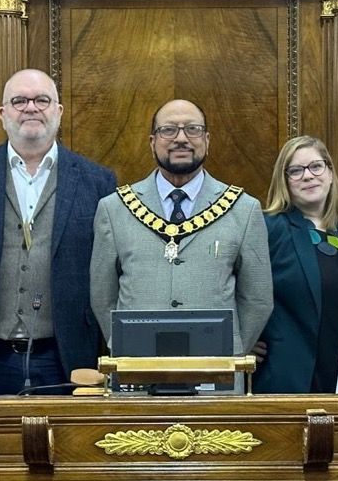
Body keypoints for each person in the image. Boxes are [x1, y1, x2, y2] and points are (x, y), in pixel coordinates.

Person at [0, 69, 116, 456]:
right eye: (20, 101)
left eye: (41, 100)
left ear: (59, 111)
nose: (31, 109)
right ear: (2, 114)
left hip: (66, 356)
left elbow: (108, 268)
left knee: (68, 468)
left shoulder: (97, 180)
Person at [90, 99, 272, 355]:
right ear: (152, 142)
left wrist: (232, 351)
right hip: (137, 368)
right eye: (169, 130)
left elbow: (257, 299)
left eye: (192, 129)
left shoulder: (244, 209)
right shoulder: (114, 209)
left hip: (216, 371)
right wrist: (125, 346)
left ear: (207, 140)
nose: (181, 138)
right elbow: (102, 295)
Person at [253, 137, 338, 418]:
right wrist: (240, 341)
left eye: (316, 166)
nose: (308, 176)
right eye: (296, 170)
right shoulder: (270, 229)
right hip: (288, 384)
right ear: (285, 180)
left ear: (329, 173)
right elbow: (234, 286)